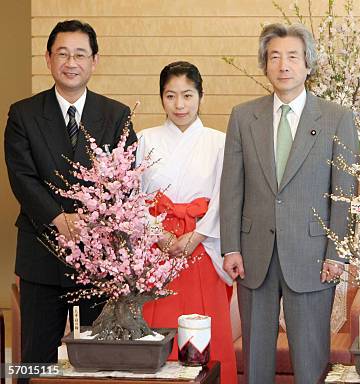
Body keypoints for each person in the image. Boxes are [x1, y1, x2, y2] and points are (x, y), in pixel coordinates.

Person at [220, 23, 358, 384]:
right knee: (255, 360)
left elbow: (344, 193)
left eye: (293, 57)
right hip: (253, 255)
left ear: (308, 65)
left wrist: (336, 253)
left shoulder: (337, 118)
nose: (284, 65)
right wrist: (231, 247)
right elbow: (232, 187)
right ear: (265, 64)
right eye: (275, 56)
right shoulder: (243, 116)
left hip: (313, 256)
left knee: (311, 359)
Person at [4, 19, 136, 368]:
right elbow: (22, 177)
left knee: (96, 360)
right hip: (41, 253)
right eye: (62, 53)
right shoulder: (24, 114)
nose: (71, 62)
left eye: (80, 54)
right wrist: (58, 218)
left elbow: (125, 182)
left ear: (95, 60)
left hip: (96, 259)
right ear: (48, 58)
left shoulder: (116, 115)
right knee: (36, 360)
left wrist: (91, 222)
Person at [136, 61, 237, 384]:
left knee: (207, 332)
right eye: (171, 96)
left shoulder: (219, 141)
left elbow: (227, 196)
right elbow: (133, 195)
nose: (179, 105)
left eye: (188, 95)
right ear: (161, 98)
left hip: (203, 245)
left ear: (200, 96)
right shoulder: (144, 140)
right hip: (157, 249)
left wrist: (198, 234)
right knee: (157, 325)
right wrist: (159, 233)